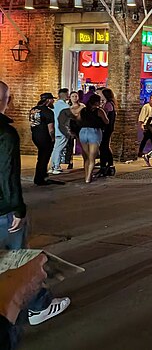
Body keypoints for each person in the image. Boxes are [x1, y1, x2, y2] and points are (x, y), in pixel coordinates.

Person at [0, 81, 71, 333]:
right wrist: (17, 209)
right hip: (3, 210)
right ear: (5, 100)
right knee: (20, 259)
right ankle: (39, 305)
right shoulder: (5, 134)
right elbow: (8, 175)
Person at [29, 93, 63, 186]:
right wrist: (53, 139)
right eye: (52, 100)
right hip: (45, 137)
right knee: (44, 158)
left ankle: (41, 176)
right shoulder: (48, 112)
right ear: (48, 100)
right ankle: (40, 178)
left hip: (35, 136)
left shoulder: (33, 109)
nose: (53, 101)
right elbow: (51, 129)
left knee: (41, 157)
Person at [78, 94, 108, 183]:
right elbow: (106, 121)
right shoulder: (99, 111)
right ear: (97, 102)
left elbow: (79, 120)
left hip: (83, 132)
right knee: (92, 157)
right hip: (94, 132)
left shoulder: (83, 110)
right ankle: (88, 178)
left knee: (86, 157)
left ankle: (86, 175)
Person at [50, 89, 70, 175]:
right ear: (65, 95)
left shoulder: (54, 105)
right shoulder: (66, 106)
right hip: (62, 130)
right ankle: (56, 166)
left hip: (56, 130)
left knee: (55, 149)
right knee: (59, 149)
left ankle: (52, 166)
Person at [97, 88, 117, 177]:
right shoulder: (108, 104)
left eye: (100, 93)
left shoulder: (108, 105)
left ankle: (104, 167)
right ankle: (109, 165)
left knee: (103, 147)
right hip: (108, 128)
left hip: (107, 129)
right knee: (105, 146)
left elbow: (104, 117)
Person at [138, 94, 152, 161]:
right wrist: (142, 124)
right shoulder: (146, 106)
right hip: (147, 125)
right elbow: (142, 115)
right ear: (150, 99)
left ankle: (141, 152)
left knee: (147, 139)